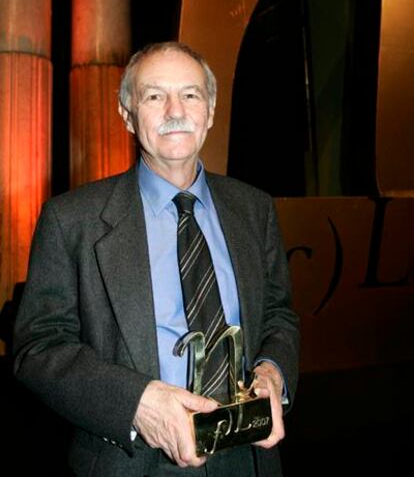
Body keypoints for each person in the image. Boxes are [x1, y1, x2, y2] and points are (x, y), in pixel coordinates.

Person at [13, 42, 299, 476]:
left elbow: (279, 315)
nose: (174, 110)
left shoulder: (254, 208)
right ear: (127, 113)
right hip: (132, 462)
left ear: (211, 110)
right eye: (153, 96)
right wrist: (138, 404)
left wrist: (272, 372)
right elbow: (38, 348)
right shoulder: (71, 219)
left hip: (250, 457)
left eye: (190, 94)